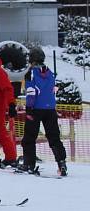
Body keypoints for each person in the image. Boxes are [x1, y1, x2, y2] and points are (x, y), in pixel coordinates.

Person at [19, 46, 68, 176]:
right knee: (54, 137)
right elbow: (52, 89)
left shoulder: (31, 73)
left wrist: (29, 108)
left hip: (35, 109)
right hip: (50, 109)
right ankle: (61, 162)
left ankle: (29, 164)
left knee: (29, 137)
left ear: (32, 59)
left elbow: (31, 92)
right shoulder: (50, 72)